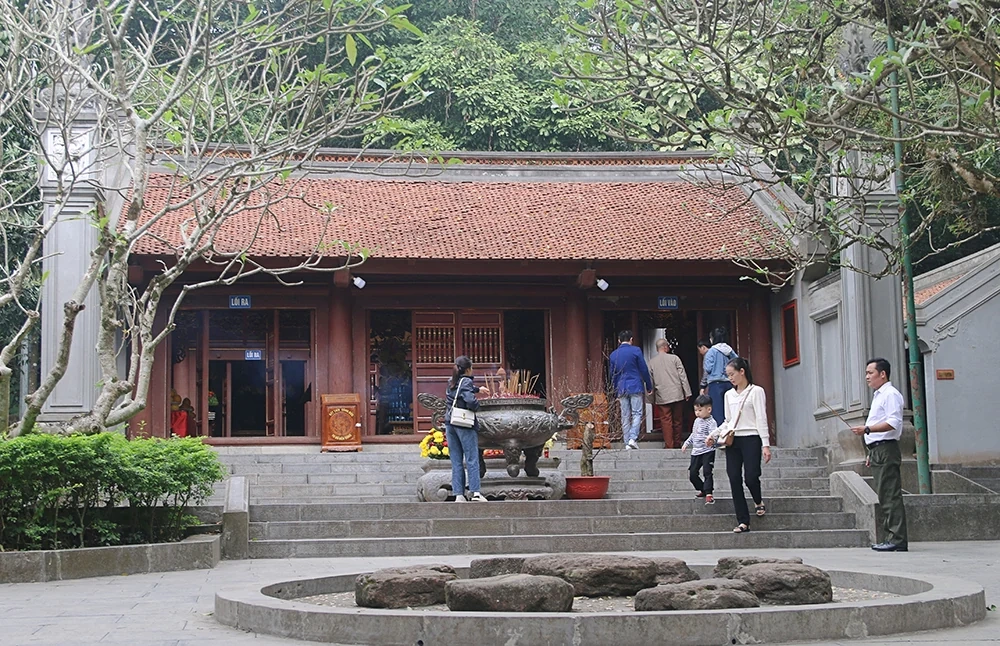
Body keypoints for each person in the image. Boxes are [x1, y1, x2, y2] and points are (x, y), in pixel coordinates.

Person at [707, 357, 771, 533]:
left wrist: (765, 444)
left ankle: (758, 500)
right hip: (733, 440)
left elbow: (761, 418)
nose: (730, 378)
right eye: (728, 375)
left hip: (751, 437)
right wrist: (713, 434)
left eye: (732, 374)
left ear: (742, 371)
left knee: (751, 476)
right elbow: (728, 420)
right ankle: (743, 521)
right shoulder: (729, 395)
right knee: (734, 478)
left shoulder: (756, 391)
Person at [851, 358, 908, 552]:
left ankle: (897, 539)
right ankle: (890, 537)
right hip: (877, 449)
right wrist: (870, 451)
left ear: (882, 374)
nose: (867, 377)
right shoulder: (878, 395)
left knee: (890, 494)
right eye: (866, 373)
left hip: (886, 448)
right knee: (884, 494)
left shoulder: (890, 394)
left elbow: (894, 423)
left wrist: (867, 429)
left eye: (870, 373)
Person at [444, 355, 490, 502]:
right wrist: (477, 406)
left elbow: (461, 390)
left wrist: (477, 389)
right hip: (464, 424)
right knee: (471, 458)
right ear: (469, 369)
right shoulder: (467, 381)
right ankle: (475, 492)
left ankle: (459, 494)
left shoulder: (451, 381)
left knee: (456, 461)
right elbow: (469, 399)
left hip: (450, 422)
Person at [608, 329, 653, 450]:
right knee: (637, 413)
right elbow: (643, 369)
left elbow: (612, 374)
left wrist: (614, 390)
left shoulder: (613, 355)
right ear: (631, 339)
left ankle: (627, 441)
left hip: (621, 387)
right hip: (635, 385)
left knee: (625, 415)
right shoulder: (636, 351)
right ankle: (633, 438)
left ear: (619, 340)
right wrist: (649, 385)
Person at [648, 339, 692, 448]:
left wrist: (651, 399)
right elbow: (683, 376)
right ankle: (677, 443)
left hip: (662, 395)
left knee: (666, 421)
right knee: (677, 420)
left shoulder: (651, 362)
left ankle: (669, 445)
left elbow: (650, 382)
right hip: (677, 393)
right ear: (666, 347)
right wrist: (687, 392)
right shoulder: (675, 359)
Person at [682, 394, 717, 504]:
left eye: (700, 410)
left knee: (707, 471)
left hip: (707, 450)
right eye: (696, 410)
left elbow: (714, 434)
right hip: (696, 451)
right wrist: (687, 443)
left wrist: (711, 439)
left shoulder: (712, 422)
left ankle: (709, 493)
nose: (697, 413)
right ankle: (702, 488)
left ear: (709, 409)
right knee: (692, 473)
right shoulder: (697, 421)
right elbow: (694, 434)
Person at [702, 327, 738, 426]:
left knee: (717, 412)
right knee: (730, 411)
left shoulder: (711, 351)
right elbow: (737, 362)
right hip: (729, 383)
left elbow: (708, 368)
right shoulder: (729, 350)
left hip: (715, 383)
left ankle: (719, 438)